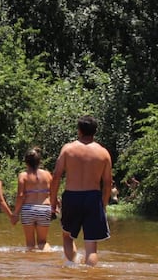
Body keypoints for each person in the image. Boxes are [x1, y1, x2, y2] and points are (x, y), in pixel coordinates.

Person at [50, 114, 113, 267]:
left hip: (72, 196)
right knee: (91, 248)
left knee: (67, 236)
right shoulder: (103, 153)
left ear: (79, 130)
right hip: (93, 197)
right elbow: (107, 183)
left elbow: (56, 176)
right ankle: (90, 278)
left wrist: (52, 202)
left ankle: (74, 264)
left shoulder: (68, 149)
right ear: (95, 131)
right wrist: (103, 205)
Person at [12, 147, 53, 251]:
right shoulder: (47, 175)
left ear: (26, 162)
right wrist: (55, 207)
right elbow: (53, 193)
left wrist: (15, 213)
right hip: (44, 208)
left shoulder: (23, 175)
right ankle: (47, 263)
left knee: (30, 244)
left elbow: (20, 196)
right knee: (43, 242)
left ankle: (31, 266)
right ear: (39, 161)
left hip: (28, 209)